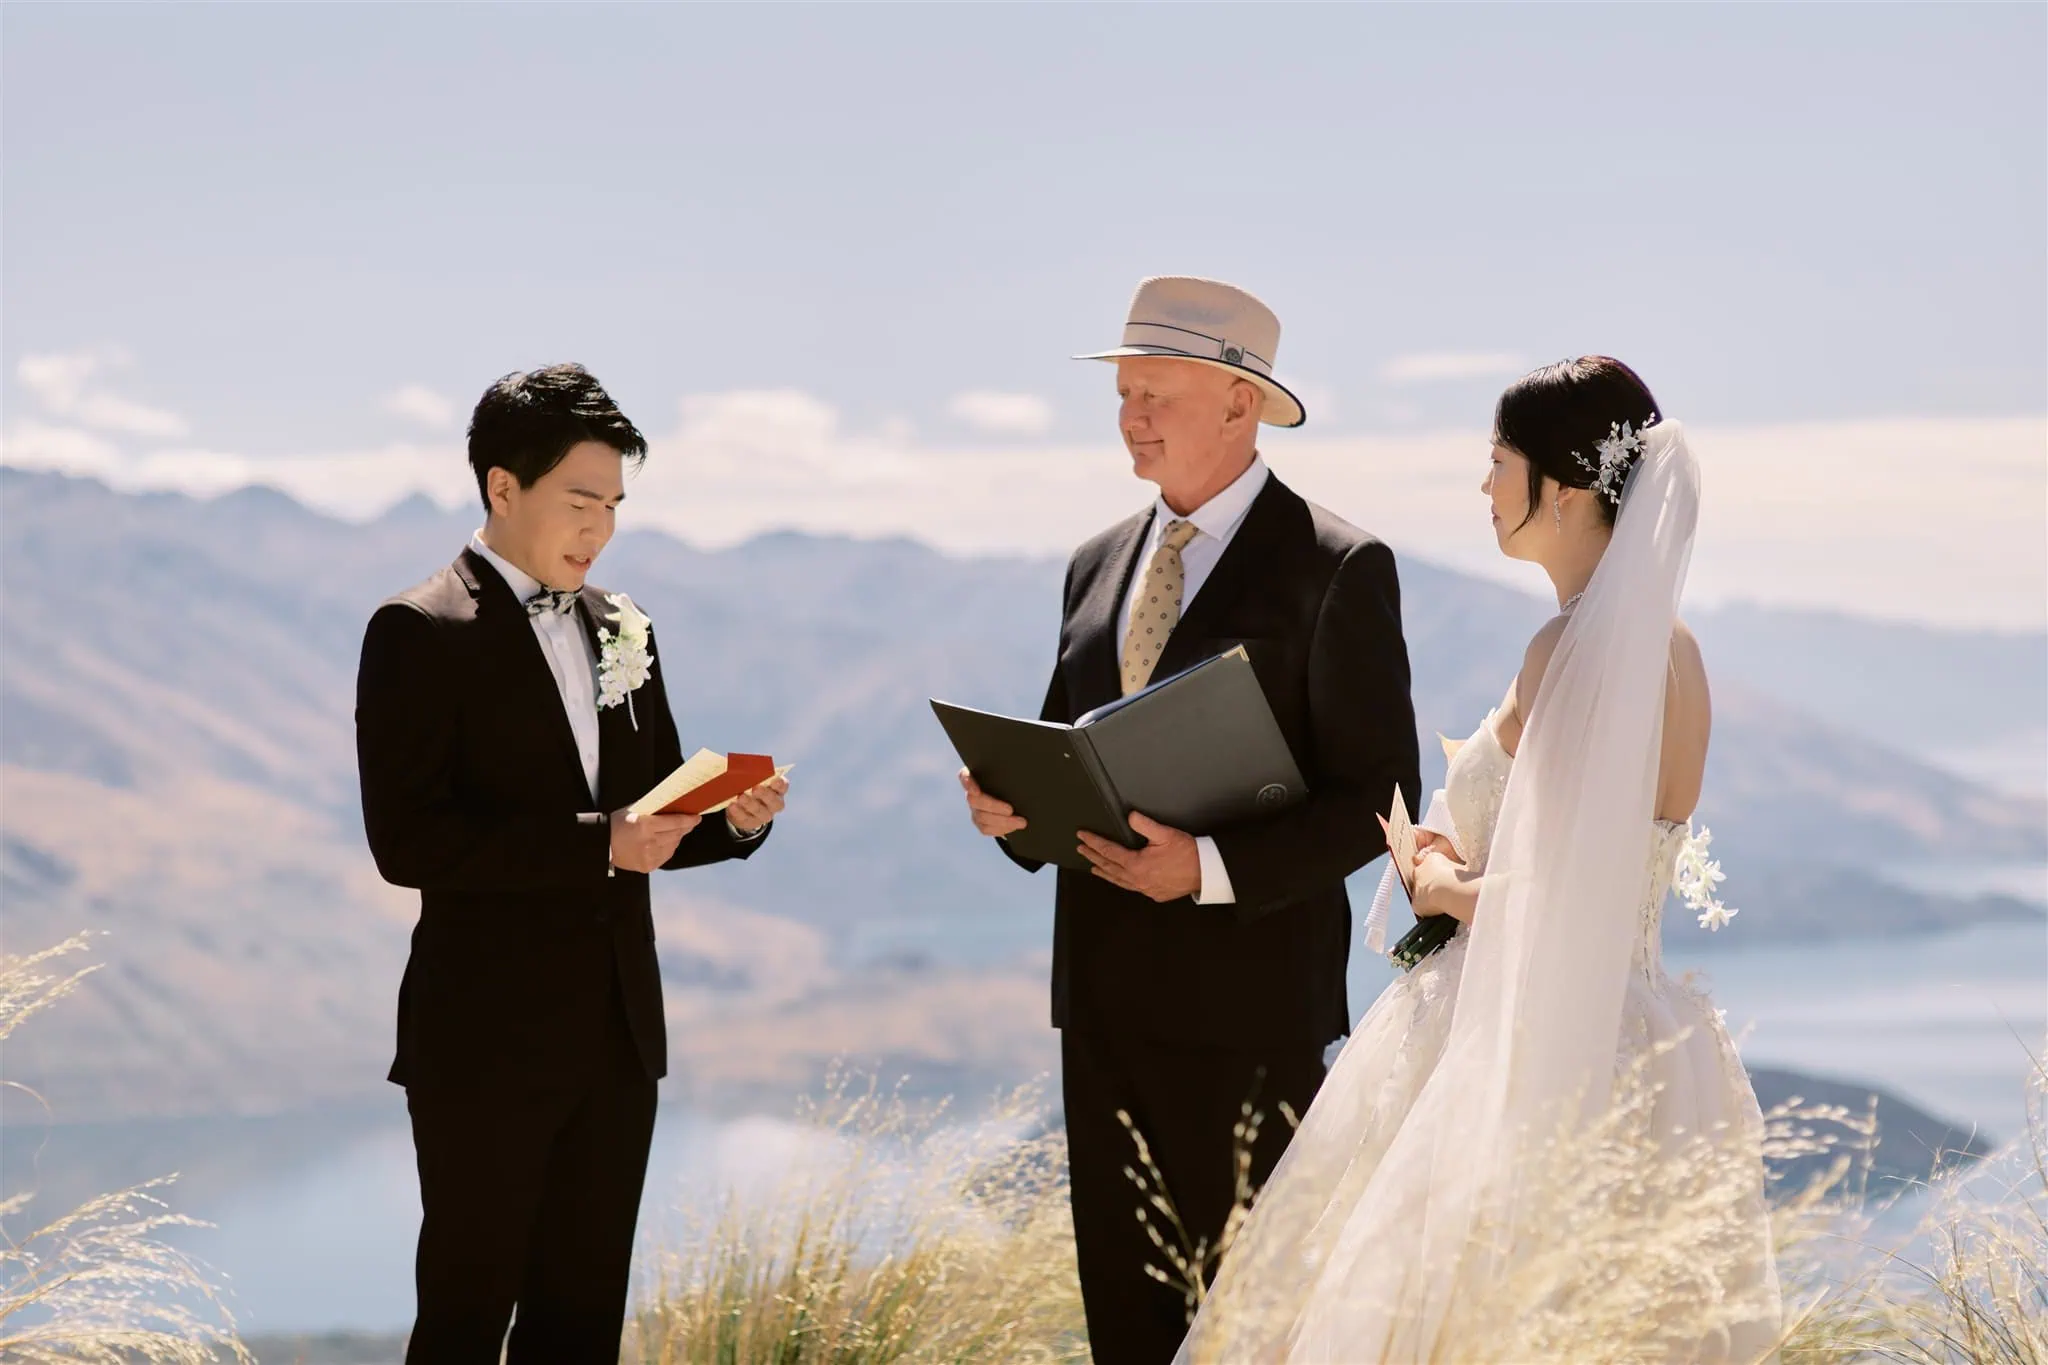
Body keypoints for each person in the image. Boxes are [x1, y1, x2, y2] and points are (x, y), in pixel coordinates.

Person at [1176, 358, 1782, 1363]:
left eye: (1498, 463)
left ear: (1565, 490)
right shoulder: (1676, 658)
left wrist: (1439, 886)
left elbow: (1554, 895)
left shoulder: (1566, 653)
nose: (1484, 487)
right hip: (1639, 1036)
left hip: (1517, 1034)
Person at [959, 276, 1421, 1365]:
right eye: (1122, 395)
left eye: (1154, 394)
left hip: (1252, 1019)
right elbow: (1067, 747)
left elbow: (1379, 799)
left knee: (1252, 1327)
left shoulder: (1335, 566)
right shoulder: (1093, 562)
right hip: (1101, 1013)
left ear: (1237, 402)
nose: (1130, 418)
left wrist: (1209, 869)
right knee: (1127, 1326)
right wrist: (1008, 807)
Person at [354, 364, 789, 1363]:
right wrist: (604, 842)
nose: (598, 530)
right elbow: (409, 843)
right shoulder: (418, 632)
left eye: (613, 507)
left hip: (616, 1037)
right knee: (465, 1320)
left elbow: (657, 817)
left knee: (581, 1325)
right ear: (503, 488)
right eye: (579, 501)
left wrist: (736, 821)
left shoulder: (620, 628)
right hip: (482, 1047)